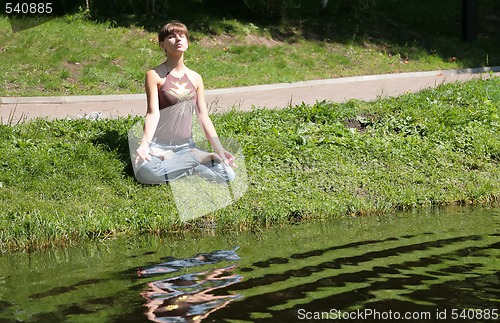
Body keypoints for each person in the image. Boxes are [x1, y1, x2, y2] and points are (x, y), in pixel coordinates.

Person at [134, 21, 236, 184]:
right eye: (171, 36)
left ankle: (188, 159)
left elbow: (203, 117)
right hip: (159, 145)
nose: (178, 39)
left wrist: (220, 149)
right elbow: (152, 113)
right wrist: (144, 145)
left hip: (186, 146)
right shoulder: (154, 75)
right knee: (146, 173)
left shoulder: (196, 78)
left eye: (182, 36)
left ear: (188, 42)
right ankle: (196, 160)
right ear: (162, 45)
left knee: (227, 175)